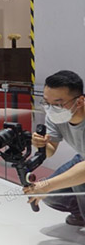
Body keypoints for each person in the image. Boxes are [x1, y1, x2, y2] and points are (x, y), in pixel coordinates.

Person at [24, 70, 85, 227]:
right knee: (52, 195)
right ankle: (80, 214)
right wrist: (41, 144)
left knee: (67, 183)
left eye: (57, 104)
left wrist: (46, 186)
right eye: (46, 102)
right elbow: (50, 150)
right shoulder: (55, 116)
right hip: (82, 159)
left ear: (79, 101)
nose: (51, 109)